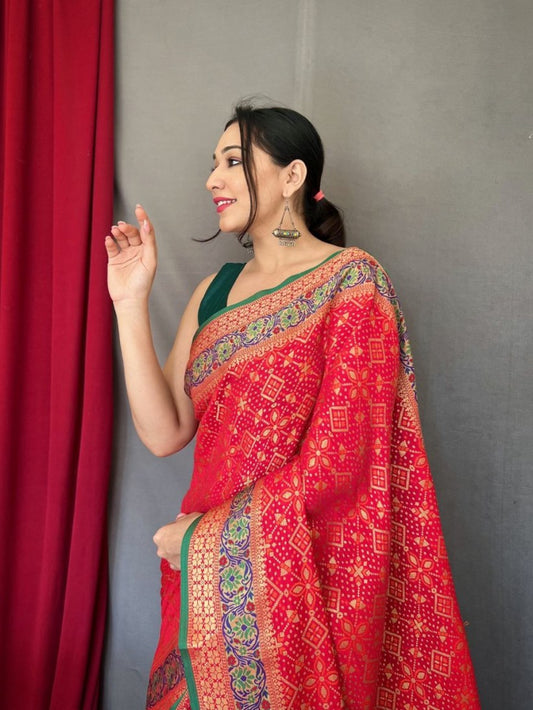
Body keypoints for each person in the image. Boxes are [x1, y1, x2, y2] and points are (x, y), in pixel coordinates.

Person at [105, 104, 480, 710]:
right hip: (203, 584)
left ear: (293, 176)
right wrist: (129, 303)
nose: (212, 178)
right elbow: (164, 431)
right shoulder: (213, 294)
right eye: (213, 163)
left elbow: (344, 458)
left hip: (302, 579)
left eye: (233, 161)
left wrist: (205, 538)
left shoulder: (351, 282)